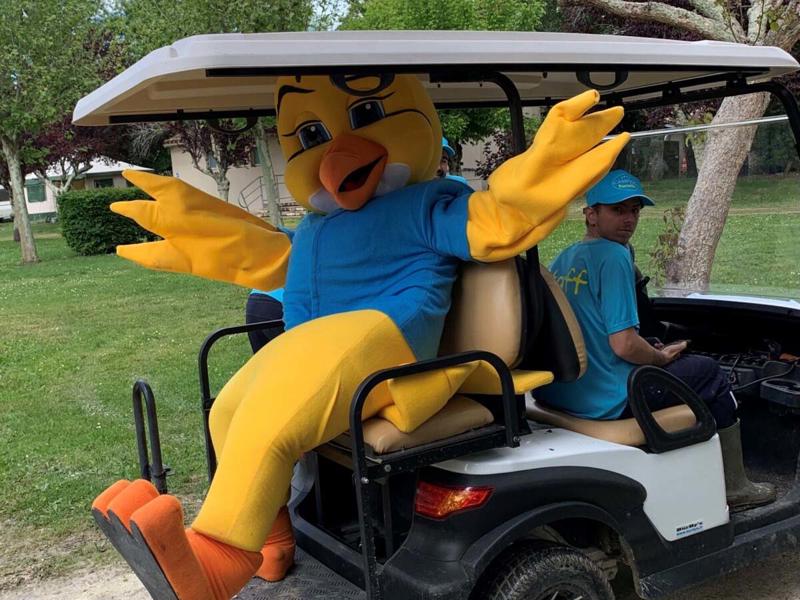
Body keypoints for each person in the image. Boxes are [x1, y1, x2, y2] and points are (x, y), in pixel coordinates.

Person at [538, 169, 775, 512]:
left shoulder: (564, 258)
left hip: (565, 391)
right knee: (709, 373)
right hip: (609, 398)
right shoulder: (614, 257)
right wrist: (660, 358)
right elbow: (622, 345)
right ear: (591, 214)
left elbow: (598, 333)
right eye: (617, 210)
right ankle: (735, 488)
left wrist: (648, 347)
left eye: (634, 210)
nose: (629, 219)